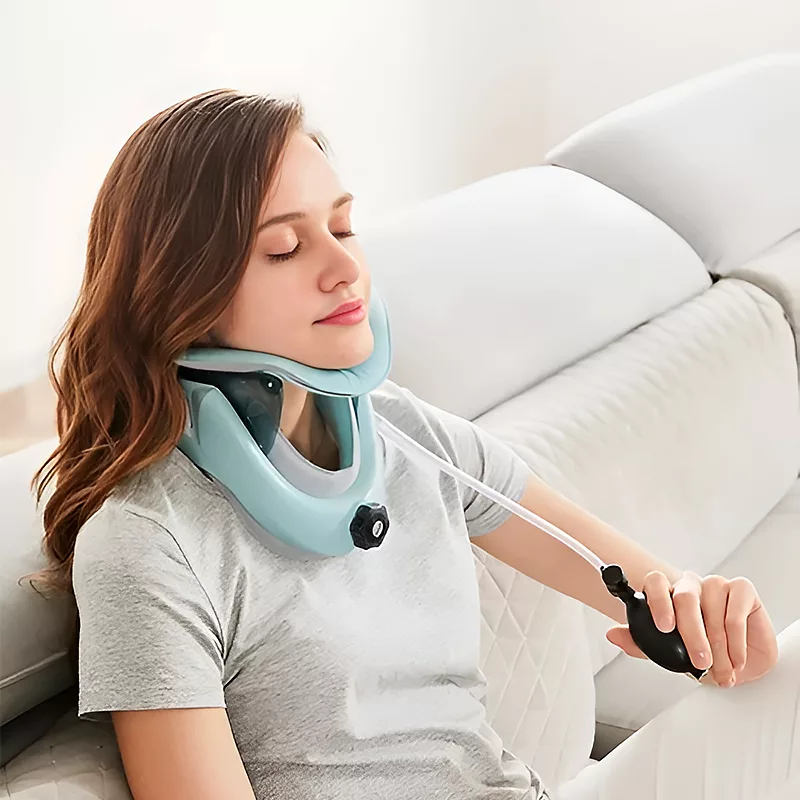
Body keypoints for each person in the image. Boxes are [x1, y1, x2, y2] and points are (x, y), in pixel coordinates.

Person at [32, 89, 800, 800]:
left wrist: (720, 629)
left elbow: (650, 592)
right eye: (284, 249)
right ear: (183, 292)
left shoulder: (403, 430)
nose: (345, 270)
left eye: (342, 228)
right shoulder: (148, 542)